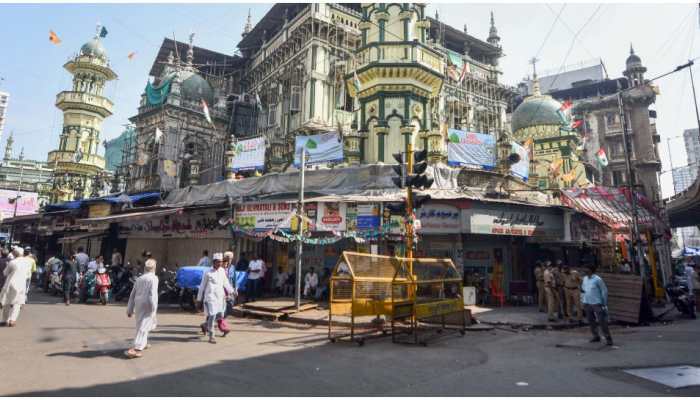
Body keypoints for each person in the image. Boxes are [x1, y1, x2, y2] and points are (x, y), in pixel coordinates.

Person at [125, 258, 159, 359]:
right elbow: (153, 294)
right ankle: (136, 348)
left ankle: (143, 343)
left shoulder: (140, 278)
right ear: (154, 268)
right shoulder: (154, 278)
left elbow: (132, 294)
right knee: (144, 326)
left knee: (141, 323)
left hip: (138, 303)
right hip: (148, 303)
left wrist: (130, 309)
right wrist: (154, 307)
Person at [197, 253, 234, 344]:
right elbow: (202, 286)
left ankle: (205, 326)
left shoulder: (222, 271)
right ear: (214, 262)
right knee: (212, 315)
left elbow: (226, 283)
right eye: (218, 262)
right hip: (210, 298)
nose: (220, 264)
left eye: (221, 262)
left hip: (220, 298)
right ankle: (211, 336)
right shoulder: (208, 272)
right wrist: (199, 299)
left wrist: (232, 291)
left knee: (220, 315)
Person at [581, 264, 613, 346]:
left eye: (586, 269)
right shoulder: (584, 279)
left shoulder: (597, 279)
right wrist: (583, 300)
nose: (585, 270)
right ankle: (596, 336)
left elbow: (604, 291)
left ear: (591, 270)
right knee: (591, 321)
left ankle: (608, 338)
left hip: (596, 303)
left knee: (602, 321)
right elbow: (583, 290)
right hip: (587, 302)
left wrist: (604, 303)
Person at [0, 248, 33, 326]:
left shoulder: (12, 262)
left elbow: (5, 273)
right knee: (17, 304)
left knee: (7, 303)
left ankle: (5, 320)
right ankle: (12, 320)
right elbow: (28, 275)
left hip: (10, 284)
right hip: (21, 285)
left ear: (15, 254)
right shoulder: (28, 262)